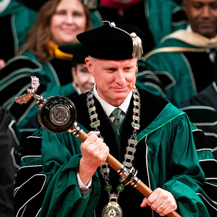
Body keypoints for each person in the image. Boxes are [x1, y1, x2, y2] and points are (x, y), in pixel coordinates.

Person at [13, 21, 217, 217]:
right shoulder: (61, 126)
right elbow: (32, 201)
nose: (121, 80)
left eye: (128, 69)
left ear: (136, 67)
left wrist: (175, 195)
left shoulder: (170, 120)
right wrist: (83, 171)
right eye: (110, 70)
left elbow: (201, 180)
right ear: (90, 66)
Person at [0, 0, 94, 140]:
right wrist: (76, 87)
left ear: (86, 23)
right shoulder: (23, 66)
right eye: (61, 13)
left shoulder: (100, 65)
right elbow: (24, 122)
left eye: (77, 14)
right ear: (47, 20)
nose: (69, 21)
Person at [137, 0, 217, 108]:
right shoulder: (162, 59)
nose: (206, 14)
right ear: (186, 7)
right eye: (198, 6)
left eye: (214, 6)